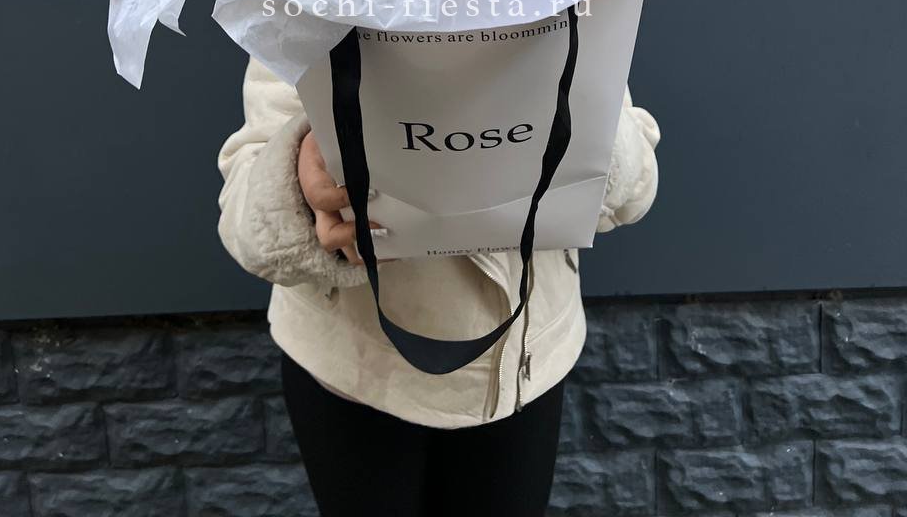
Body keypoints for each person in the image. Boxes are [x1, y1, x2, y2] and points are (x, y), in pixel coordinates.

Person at [218, 56, 660, 517]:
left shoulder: (569, 8)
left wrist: (574, 115)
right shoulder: (308, 9)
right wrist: (306, 174)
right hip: (354, 363)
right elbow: (247, 221)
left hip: (524, 358)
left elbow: (631, 189)